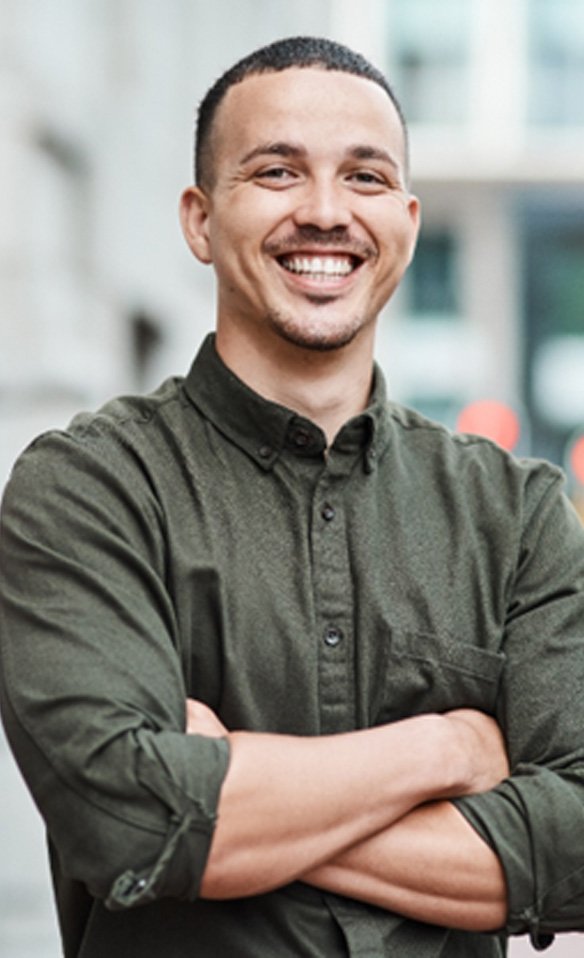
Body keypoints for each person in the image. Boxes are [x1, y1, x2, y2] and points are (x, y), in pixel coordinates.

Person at [1, 35, 584, 958]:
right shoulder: (88, 491)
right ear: (199, 219)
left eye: (364, 177)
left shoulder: (517, 516)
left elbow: (576, 845)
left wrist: (228, 795)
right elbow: (128, 823)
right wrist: (446, 753)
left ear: (407, 218)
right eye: (277, 172)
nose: (324, 213)